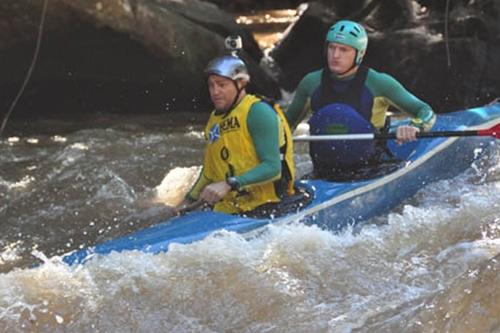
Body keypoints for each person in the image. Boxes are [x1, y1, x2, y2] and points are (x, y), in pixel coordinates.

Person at [286, 19, 436, 179]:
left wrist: (414, 126)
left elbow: (425, 111)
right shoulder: (311, 82)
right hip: (323, 172)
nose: (335, 55)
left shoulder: (380, 83)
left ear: (360, 54)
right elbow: (285, 126)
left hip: (370, 171)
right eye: (332, 48)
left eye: (343, 50)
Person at [176, 55, 296, 215]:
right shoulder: (214, 119)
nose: (215, 92)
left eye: (221, 85)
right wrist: (188, 200)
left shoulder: (258, 112)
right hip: (230, 206)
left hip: (267, 204)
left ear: (240, 83)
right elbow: (209, 172)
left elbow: (273, 168)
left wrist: (229, 184)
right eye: (211, 86)